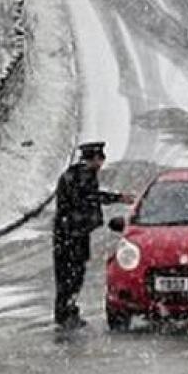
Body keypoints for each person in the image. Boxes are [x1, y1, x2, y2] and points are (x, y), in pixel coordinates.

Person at [52, 141, 133, 330]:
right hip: (72, 234)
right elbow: (89, 197)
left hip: (72, 232)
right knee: (72, 275)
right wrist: (117, 198)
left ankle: (67, 311)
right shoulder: (81, 176)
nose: (101, 164)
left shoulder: (77, 174)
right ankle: (65, 313)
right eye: (100, 159)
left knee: (70, 274)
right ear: (95, 159)